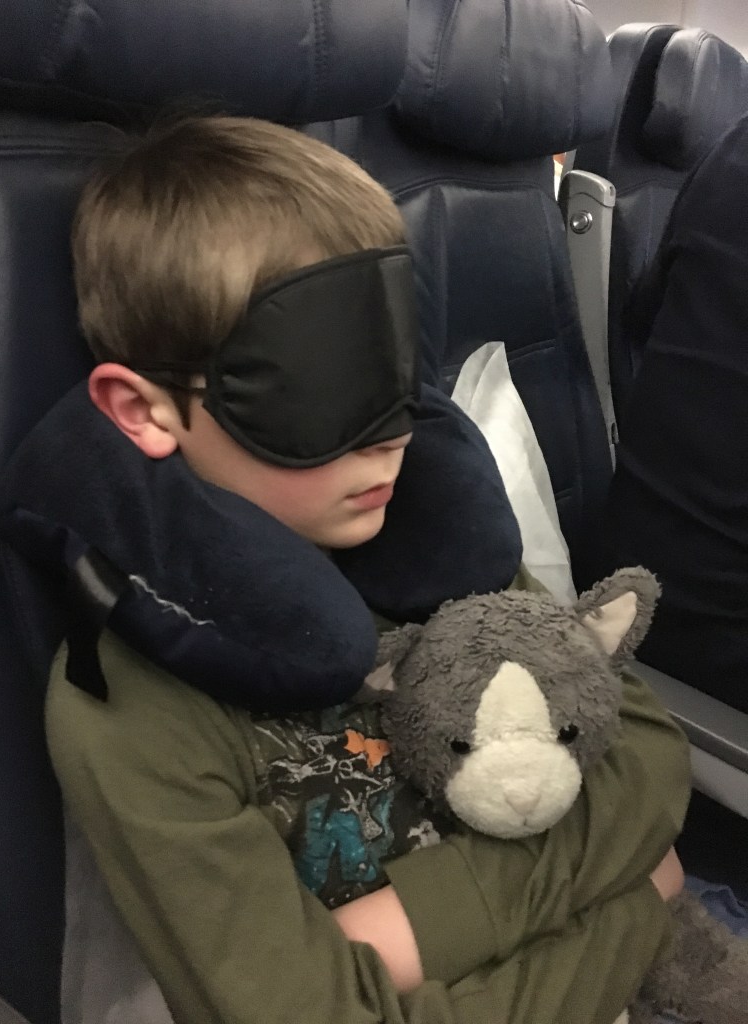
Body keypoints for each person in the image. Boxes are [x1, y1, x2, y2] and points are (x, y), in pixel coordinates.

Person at [43, 115, 689, 1024]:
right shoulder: (131, 701)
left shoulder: (442, 543)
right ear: (143, 410)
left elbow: (648, 754)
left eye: (392, 379)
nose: (390, 441)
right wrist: (633, 909)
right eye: (321, 389)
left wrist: (403, 932)